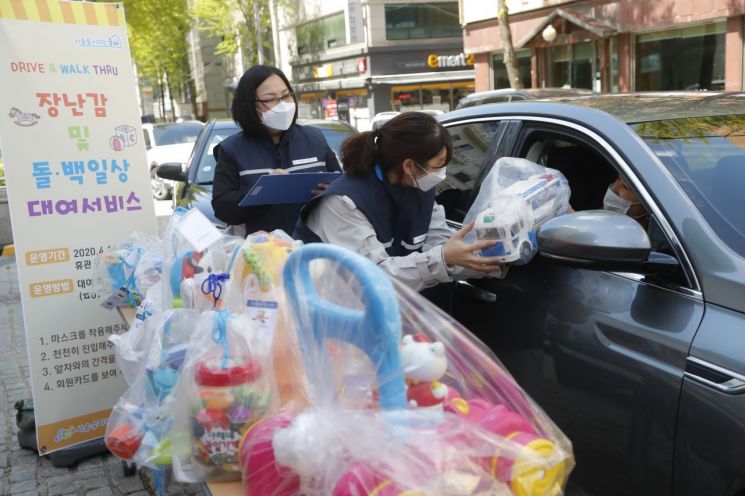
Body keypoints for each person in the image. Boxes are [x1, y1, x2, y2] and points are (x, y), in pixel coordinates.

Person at [294, 112, 501, 292]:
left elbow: (441, 245)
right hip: (329, 314)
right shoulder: (342, 202)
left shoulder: (421, 190)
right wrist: (442, 258)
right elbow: (372, 277)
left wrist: (493, 258)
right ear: (409, 165)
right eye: (438, 165)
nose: (442, 174)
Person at [211, 65, 341, 235]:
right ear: (249, 105)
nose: (283, 105)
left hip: (314, 251)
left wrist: (330, 192)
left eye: (286, 96)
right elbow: (223, 209)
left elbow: (342, 186)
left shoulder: (315, 139)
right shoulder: (231, 150)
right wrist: (262, 194)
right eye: (270, 99)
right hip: (263, 253)